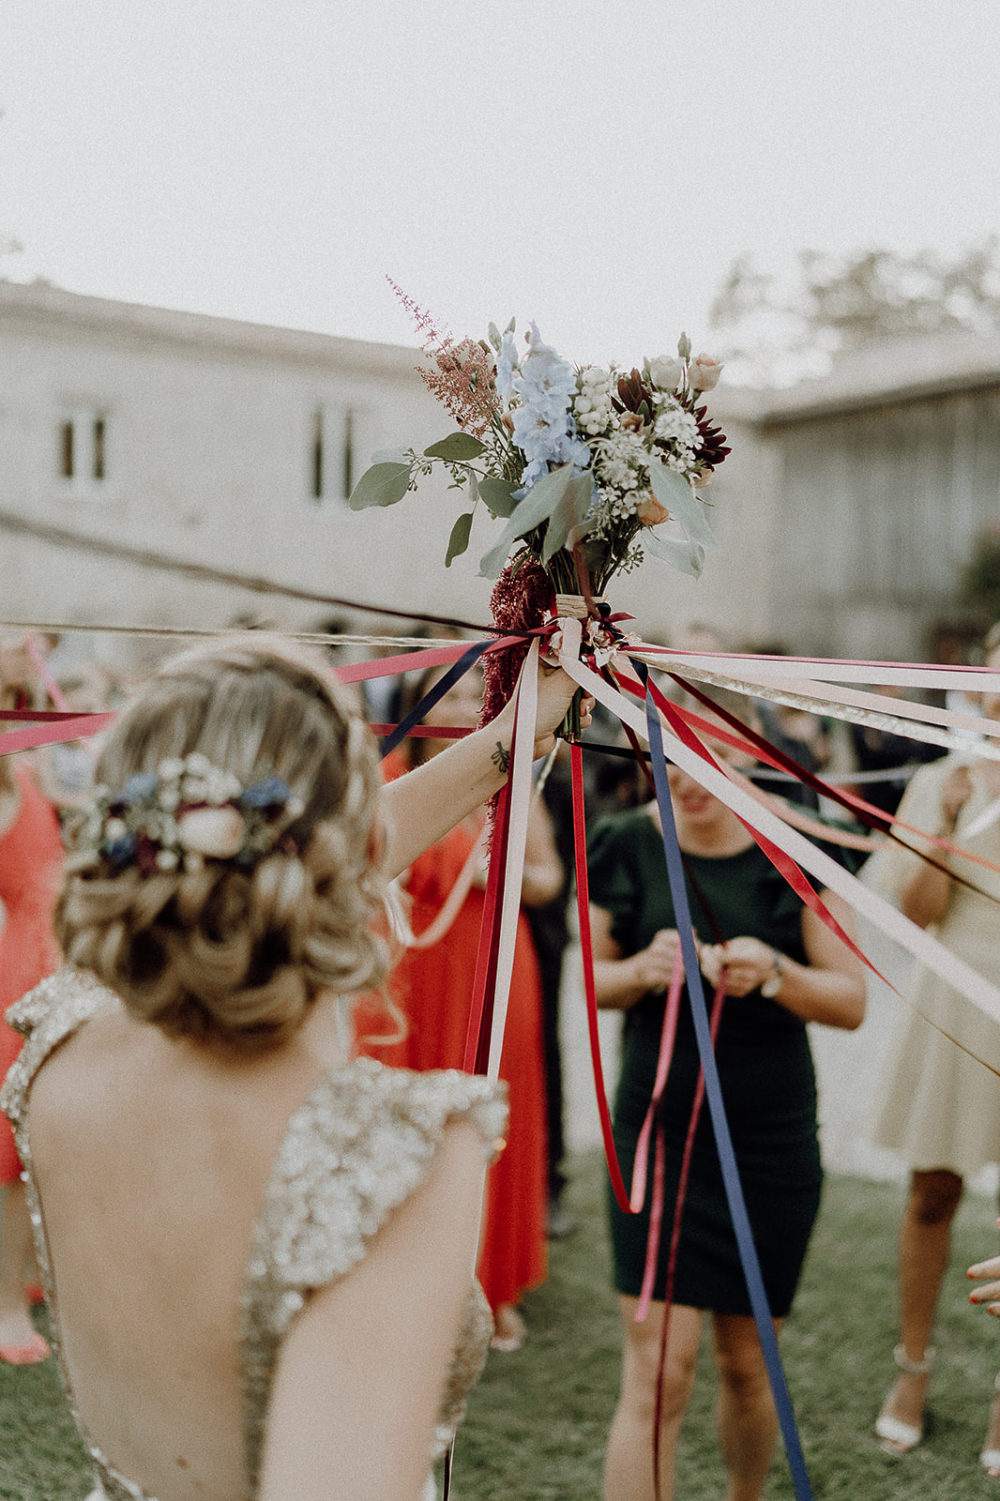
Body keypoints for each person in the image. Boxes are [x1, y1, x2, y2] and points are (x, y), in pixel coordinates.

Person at [0, 633, 585, 1501]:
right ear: (344, 841)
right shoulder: (388, 1152)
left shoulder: (59, 1040)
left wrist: (511, 734)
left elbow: (350, 846)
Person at [587, 691, 866, 1501]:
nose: (685, 777)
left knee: (748, 1362)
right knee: (657, 1371)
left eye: (704, 753)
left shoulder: (794, 848)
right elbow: (590, 981)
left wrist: (774, 973)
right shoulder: (622, 841)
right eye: (666, 756)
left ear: (744, 750)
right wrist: (641, 970)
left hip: (767, 1140)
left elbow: (850, 1000)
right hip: (659, 1135)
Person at [361, 660, 562, 1351]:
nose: (463, 708)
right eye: (450, 697)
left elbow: (549, 879)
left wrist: (494, 872)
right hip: (413, 967)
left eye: (479, 697)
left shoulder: (511, 780)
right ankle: (404, 1283)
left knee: (488, 1117)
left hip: (494, 960)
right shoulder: (388, 782)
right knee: (411, 1117)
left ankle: (491, 1285)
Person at [873, 625, 1000, 1473]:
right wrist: (948, 817)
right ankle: (911, 1368)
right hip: (953, 994)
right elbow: (916, 911)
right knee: (932, 1192)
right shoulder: (937, 778)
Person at [0, 646, 63, 1365]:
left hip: (57, 950)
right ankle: (6, 1305)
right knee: (13, 1146)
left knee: (41, 1134)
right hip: (21, 963)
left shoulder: (28, 769)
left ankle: (24, 1276)